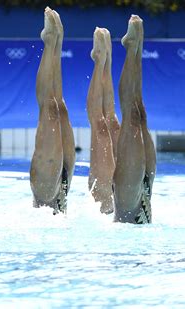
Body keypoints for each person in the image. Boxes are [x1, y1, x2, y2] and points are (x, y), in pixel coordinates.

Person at [30, 7, 76, 215]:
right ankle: (54, 42)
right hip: (54, 197)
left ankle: (53, 42)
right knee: (56, 108)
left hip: (50, 198)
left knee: (53, 109)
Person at [113, 15, 156, 224]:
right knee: (136, 116)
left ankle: (135, 46)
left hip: (132, 211)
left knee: (136, 117)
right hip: (133, 210)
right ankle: (135, 46)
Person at [86, 27, 120, 214]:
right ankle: (104, 61)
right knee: (110, 121)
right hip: (120, 203)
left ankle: (102, 62)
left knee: (101, 123)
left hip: (105, 202)